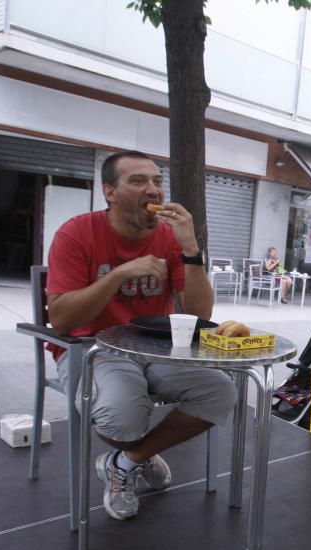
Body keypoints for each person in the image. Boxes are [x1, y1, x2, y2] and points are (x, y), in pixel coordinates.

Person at [46, 150, 237, 522]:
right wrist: (117, 276)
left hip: (154, 347)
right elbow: (61, 321)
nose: (153, 190)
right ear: (110, 192)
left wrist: (191, 249)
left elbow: (200, 315)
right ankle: (140, 455)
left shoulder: (169, 239)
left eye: (157, 181)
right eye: (137, 181)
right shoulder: (76, 233)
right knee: (122, 415)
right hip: (92, 347)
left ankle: (126, 461)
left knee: (221, 390)